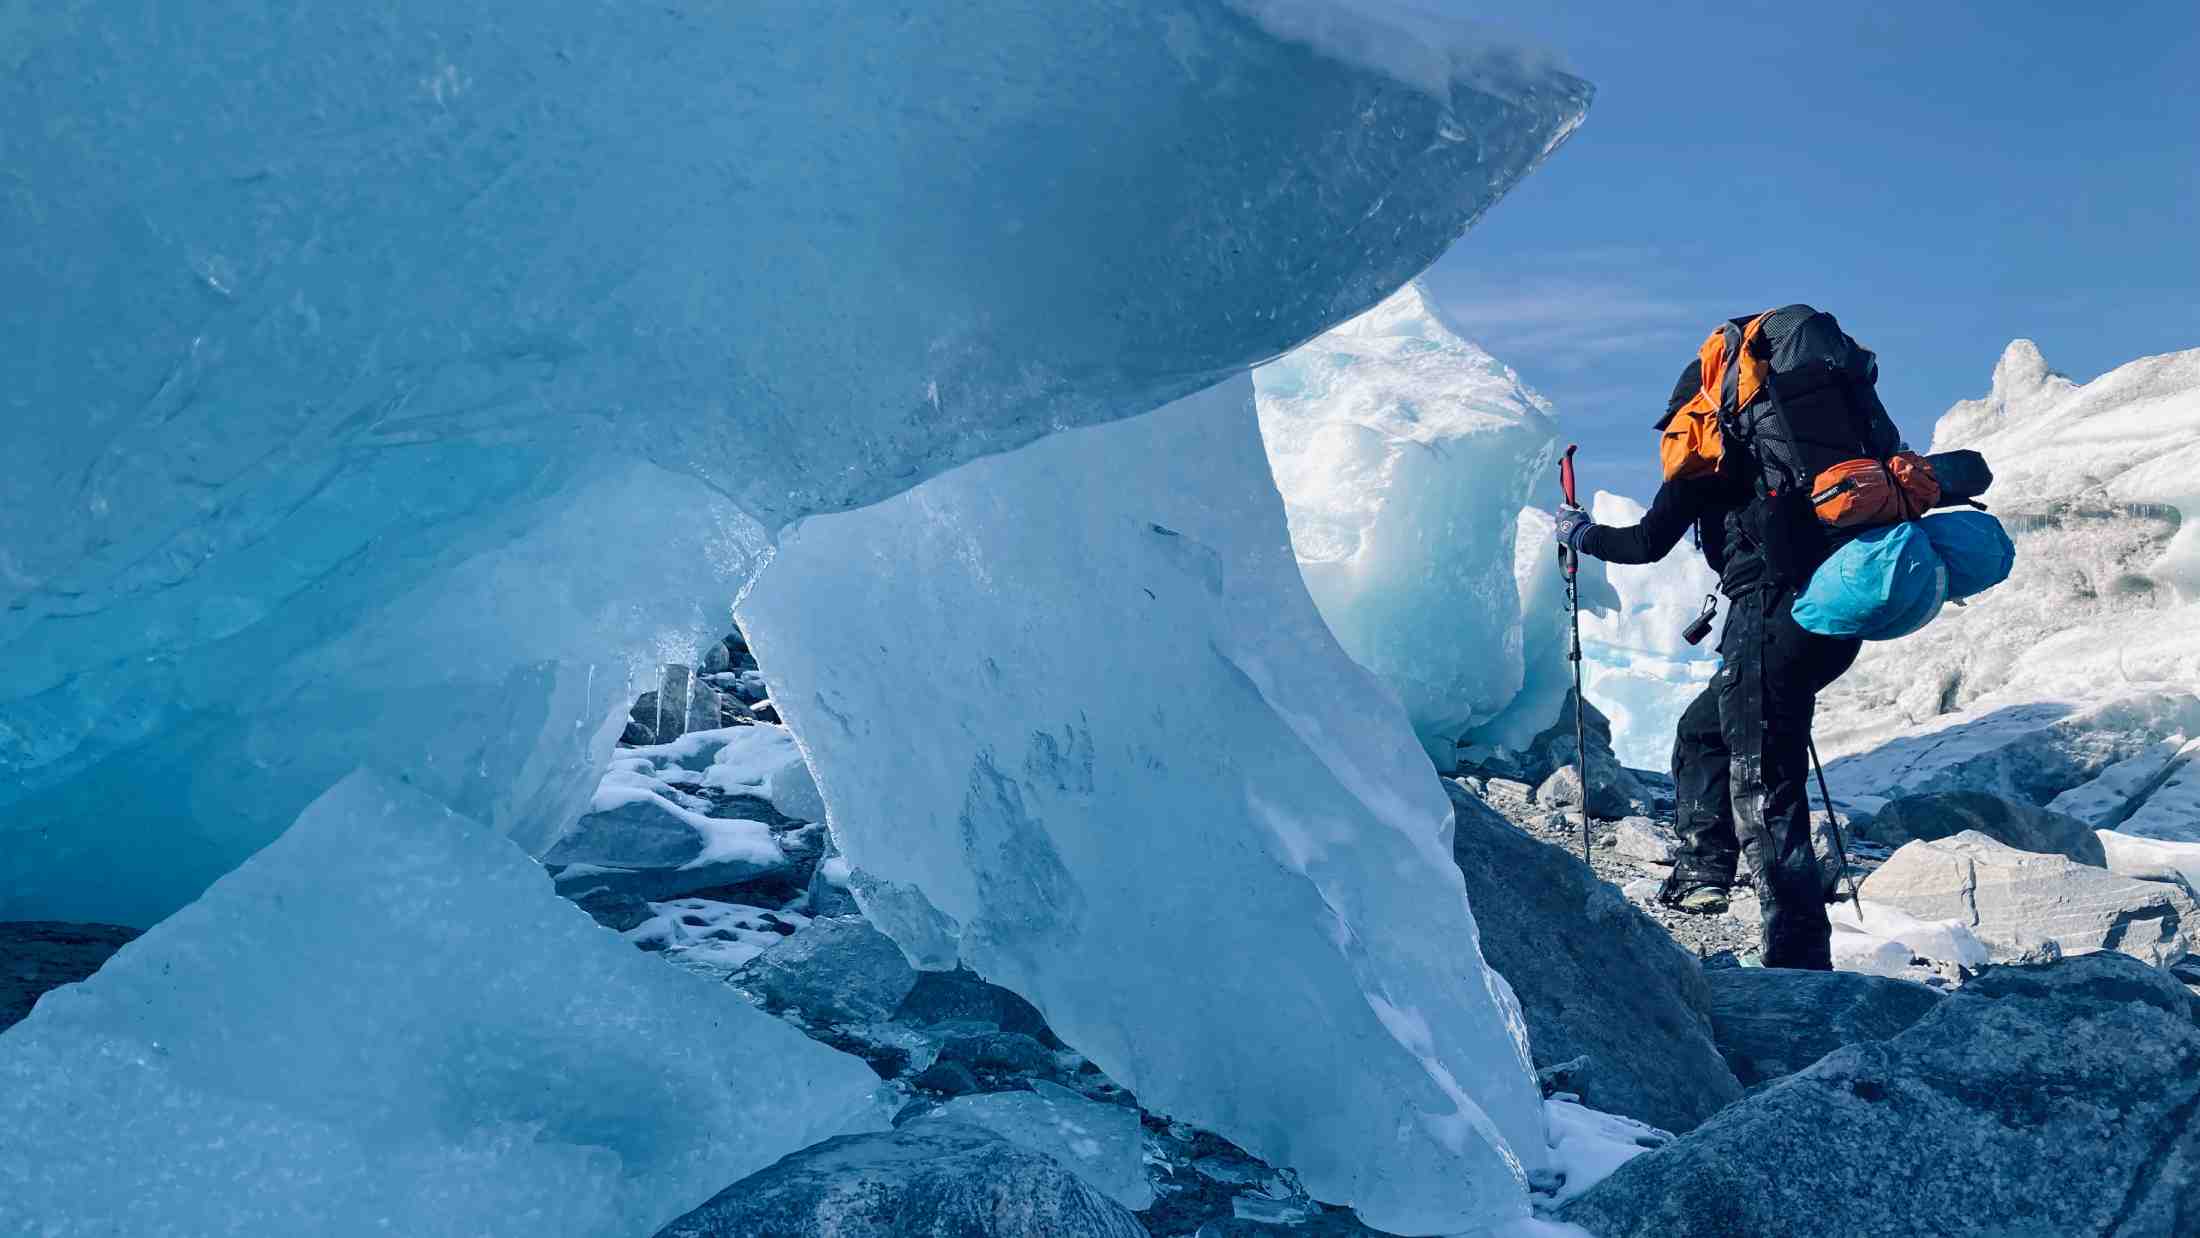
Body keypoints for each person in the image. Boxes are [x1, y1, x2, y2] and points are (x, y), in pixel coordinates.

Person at [1552, 359, 1861, 971]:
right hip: (1827, 619)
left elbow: (1645, 543)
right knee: (1702, 732)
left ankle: (1798, 960)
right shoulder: (1792, 464)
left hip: (1769, 616)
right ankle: (1704, 871)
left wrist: (1580, 533)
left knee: (1765, 782)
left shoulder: (1711, 455)